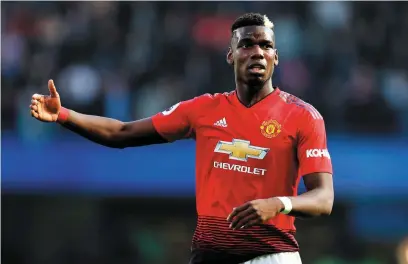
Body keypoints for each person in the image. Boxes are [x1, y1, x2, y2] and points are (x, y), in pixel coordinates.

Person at [30, 13, 334, 264]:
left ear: (276, 57)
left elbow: (323, 198)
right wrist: (64, 116)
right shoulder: (203, 109)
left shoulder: (303, 116)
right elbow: (121, 133)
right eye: (247, 44)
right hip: (208, 256)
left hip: (270, 256)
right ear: (231, 55)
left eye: (266, 46)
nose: (257, 51)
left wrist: (279, 204)